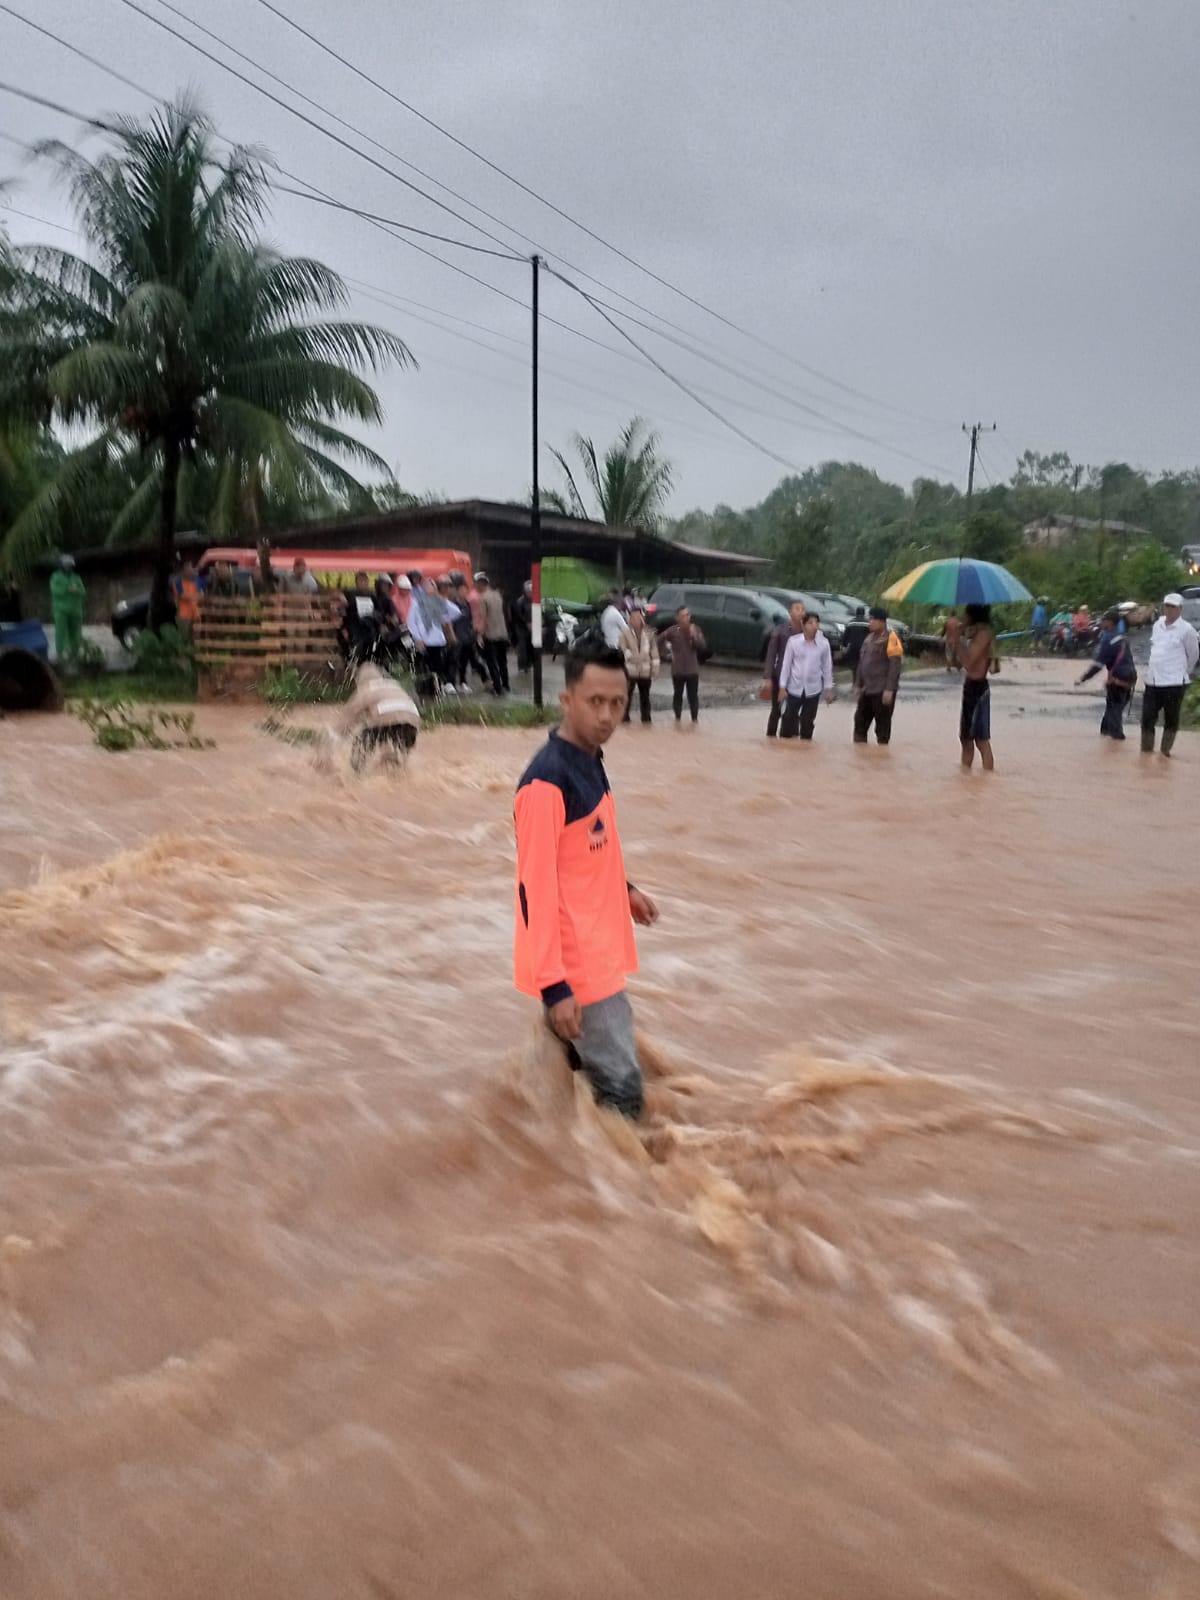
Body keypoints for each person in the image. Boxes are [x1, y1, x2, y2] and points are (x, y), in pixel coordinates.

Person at [513, 637, 660, 1119]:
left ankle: (577, 1177)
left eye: (618, 703)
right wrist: (556, 989)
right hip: (579, 972)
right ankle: (633, 1184)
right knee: (622, 1088)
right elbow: (534, 890)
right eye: (595, 701)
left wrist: (625, 890)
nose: (607, 716)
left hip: (594, 956)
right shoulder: (546, 782)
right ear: (566, 699)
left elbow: (585, 853)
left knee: (578, 1082)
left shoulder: (589, 759)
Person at [324, 662, 420, 773]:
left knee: (360, 746)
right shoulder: (393, 684)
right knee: (396, 749)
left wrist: (330, 743)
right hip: (412, 725)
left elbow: (346, 723)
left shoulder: (365, 690)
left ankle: (357, 777)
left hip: (387, 721)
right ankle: (397, 772)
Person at [1141, 592, 1199, 757]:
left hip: (1174, 683)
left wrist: (1183, 672)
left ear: (1180, 609)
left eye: (1173, 607)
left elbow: (1193, 654)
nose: (1169, 609)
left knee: (1171, 719)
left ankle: (1164, 752)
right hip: (1153, 680)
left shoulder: (1187, 630)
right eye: (1167, 606)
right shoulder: (1157, 625)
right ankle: (1146, 752)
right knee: (1147, 718)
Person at [1076, 609, 1138, 740]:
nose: (1101, 623)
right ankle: (1105, 733)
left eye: (1103, 620)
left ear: (1110, 623)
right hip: (1130, 678)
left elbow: (1099, 664)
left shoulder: (1108, 639)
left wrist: (1084, 678)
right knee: (1113, 707)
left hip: (1118, 679)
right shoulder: (1122, 638)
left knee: (1114, 708)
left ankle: (1115, 739)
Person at [778, 611, 835, 740]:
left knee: (808, 722)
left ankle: (806, 749)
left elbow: (827, 667)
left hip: (813, 690)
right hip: (794, 688)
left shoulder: (824, 644)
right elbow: (786, 665)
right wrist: (782, 687)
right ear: (803, 625)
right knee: (788, 719)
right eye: (810, 623)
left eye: (816, 622)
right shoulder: (793, 642)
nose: (814, 625)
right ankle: (782, 748)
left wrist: (828, 689)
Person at [852, 606, 904, 745]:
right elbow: (861, 664)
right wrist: (857, 685)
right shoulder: (868, 639)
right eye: (870, 619)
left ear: (882, 622)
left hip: (882, 691)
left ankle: (881, 757)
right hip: (867, 690)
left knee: (882, 728)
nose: (871, 622)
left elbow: (895, 666)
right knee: (859, 723)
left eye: (874, 620)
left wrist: (889, 689)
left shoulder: (891, 639)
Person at [957, 603, 996, 771]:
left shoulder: (983, 635)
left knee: (980, 739)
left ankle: (987, 778)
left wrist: (956, 640)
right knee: (965, 738)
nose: (962, 619)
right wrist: (955, 638)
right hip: (970, 687)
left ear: (972, 616)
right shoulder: (972, 636)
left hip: (978, 689)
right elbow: (957, 664)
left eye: (965, 615)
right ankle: (966, 777)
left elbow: (968, 662)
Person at [762, 601, 806, 738]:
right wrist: (768, 677)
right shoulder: (780, 631)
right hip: (781, 675)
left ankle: (791, 737)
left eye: (803, 609)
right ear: (790, 613)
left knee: (794, 709)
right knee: (777, 709)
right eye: (797, 609)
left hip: (800, 677)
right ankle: (771, 737)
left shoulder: (808, 632)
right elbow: (771, 655)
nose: (800, 612)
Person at [405, 571, 454, 694]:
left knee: (437, 668)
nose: (430, 589)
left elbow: (453, 614)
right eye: (428, 587)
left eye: (433, 587)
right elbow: (411, 623)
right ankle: (423, 691)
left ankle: (436, 690)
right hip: (423, 642)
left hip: (437, 642)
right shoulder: (416, 604)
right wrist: (418, 638)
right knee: (423, 668)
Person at [659, 606, 707, 724]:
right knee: (678, 695)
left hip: (692, 669)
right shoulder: (673, 630)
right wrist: (666, 654)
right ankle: (677, 719)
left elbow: (702, 647)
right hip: (678, 669)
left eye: (687, 615)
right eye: (682, 616)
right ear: (677, 618)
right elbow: (659, 640)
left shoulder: (695, 629)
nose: (685, 618)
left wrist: (694, 636)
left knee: (693, 696)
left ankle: (694, 720)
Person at [619, 607, 660, 723]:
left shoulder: (649, 634)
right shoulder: (625, 634)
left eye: (638, 617)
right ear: (629, 619)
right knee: (627, 695)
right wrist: (630, 656)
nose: (635, 620)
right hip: (630, 670)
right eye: (633, 617)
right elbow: (622, 648)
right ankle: (624, 717)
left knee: (645, 696)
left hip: (645, 671)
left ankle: (646, 718)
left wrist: (655, 669)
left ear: (642, 618)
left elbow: (654, 653)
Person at [475, 572, 510, 695]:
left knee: (491, 662)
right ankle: (506, 685)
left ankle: (498, 688)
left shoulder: (483, 598)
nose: (476, 587)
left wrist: (479, 635)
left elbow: (484, 619)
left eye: (476, 584)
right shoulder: (497, 595)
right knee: (502, 662)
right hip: (502, 633)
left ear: (481, 584)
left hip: (490, 635)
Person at [49, 555, 86, 661]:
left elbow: (82, 591)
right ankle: (60, 653)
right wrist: (69, 589)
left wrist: (76, 590)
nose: (68, 567)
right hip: (61, 610)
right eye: (66, 565)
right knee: (61, 631)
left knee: (76, 632)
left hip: (75, 610)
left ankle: (75, 652)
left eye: (70, 565)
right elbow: (55, 591)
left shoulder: (76, 577)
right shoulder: (55, 577)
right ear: (61, 565)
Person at [171, 558, 203, 639]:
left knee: (196, 638)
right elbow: (183, 596)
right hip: (184, 616)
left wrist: (199, 596)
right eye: (188, 567)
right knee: (185, 638)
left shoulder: (196, 580)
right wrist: (195, 596)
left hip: (196, 614)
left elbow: (201, 595)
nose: (191, 569)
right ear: (183, 570)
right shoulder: (178, 582)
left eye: (190, 567)